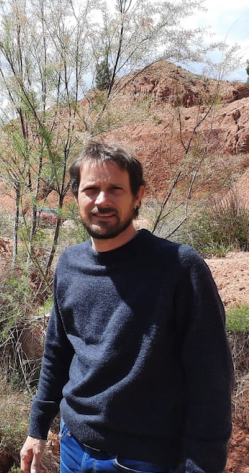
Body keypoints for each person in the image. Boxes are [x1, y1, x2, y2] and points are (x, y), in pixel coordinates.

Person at [20, 141, 234, 473]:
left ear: (138, 196)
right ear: (76, 197)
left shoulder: (178, 268)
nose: (102, 200)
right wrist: (37, 429)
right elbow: (57, 352)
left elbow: (211, 382)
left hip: (143, 459)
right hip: (74, 447)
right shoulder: (69, 264)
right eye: (91, 190)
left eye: (115, 189)